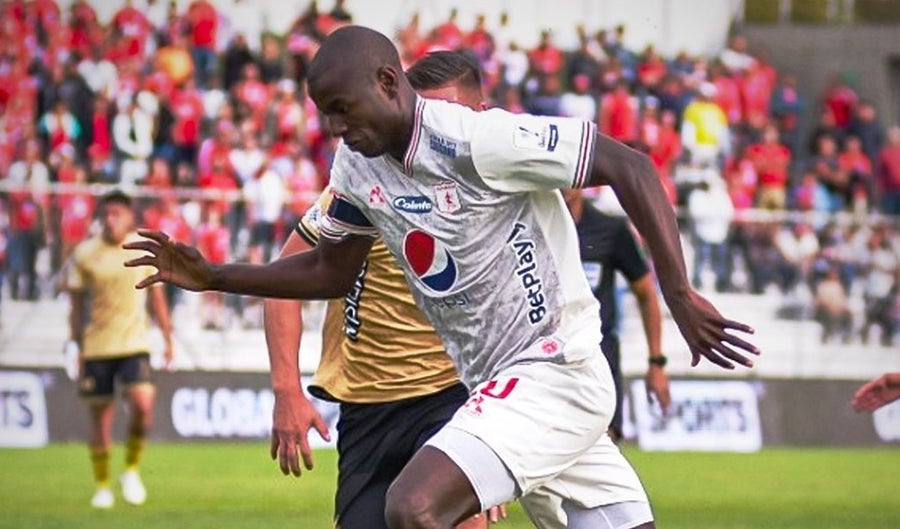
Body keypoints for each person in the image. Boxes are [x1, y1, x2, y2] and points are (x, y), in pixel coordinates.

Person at [125, 26, 759, 529]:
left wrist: (679, 294)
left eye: (342, 109)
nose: (335, 128)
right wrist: (217, 275)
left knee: (413, 507)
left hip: (554, 370)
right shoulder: (357, 166)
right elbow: (330, 268)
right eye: (325, 115)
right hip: (495, 382)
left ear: (388, 82)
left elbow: (629, 165)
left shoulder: (478, 139)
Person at [265, 50, 499, 529]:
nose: (437, 130)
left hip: (453, 398)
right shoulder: (367, 184)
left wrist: (495, 442)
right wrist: (286, 390)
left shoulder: (501, 190)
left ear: (480, 115)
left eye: (451, 116)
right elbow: (284, 279)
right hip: (368, 409)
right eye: (427, 115)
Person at [67, 190, 174, 509]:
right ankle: (102, 486)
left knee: (142, 403)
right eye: (107, 214)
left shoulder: (141, 249)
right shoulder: (85, 253)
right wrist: (74, 345)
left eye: (117, 214)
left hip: (134, 343)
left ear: (129, 218)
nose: (111, 220)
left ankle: (130, 471)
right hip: (97, 346)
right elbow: (76, 305)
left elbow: (157, 298)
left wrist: (168, 339)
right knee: (101, 419)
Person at [562, 188, 670, 442]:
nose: (563, 186)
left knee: (604, 445)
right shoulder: (531, 226)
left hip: (598, 361)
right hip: (546, 362)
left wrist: (656, 363)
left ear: (582, 179)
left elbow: (646, 294)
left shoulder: (611, 230)